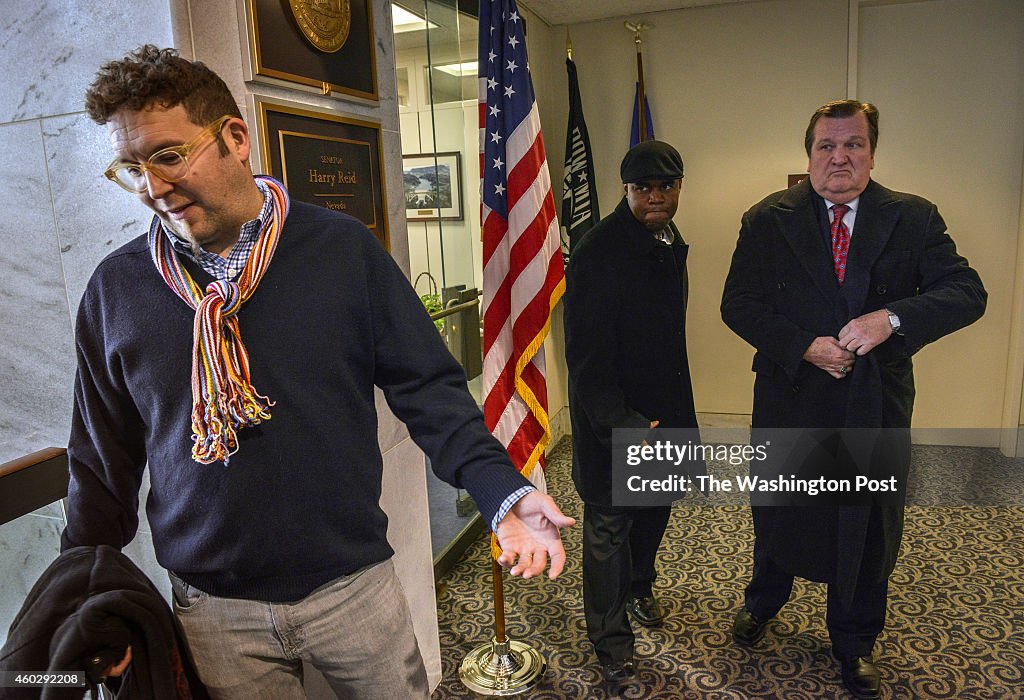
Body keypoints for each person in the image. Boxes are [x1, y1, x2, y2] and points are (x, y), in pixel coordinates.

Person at [61, 45, 574, 700]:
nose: (152, 189)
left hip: (353, 588)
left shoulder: (342, 251)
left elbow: (431, 392)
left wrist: (501, 492)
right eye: (131, 168)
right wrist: (85, 603)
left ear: (235, 138)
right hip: (213, 608)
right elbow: (100, 466)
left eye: (168, 156)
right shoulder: (115, 291)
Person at [721, 99, 986, 699]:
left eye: (854, 145)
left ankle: (855, 641)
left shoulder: (914, 218)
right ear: (809, 153)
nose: (839, 157)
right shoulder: (766, 218)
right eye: (826, 146)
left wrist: (890, 319)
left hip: (873, 404)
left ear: (872, 151)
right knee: (781, 511)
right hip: (791, 397)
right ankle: (763, 602)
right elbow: (738, 304)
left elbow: (968, 292)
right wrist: (804, 345)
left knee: (865, 528)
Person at [563, 141, 700, 692]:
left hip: (665, 410)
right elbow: (586, 354)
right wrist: (622, 424)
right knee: (609, 528)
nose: (655, 197)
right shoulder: (598, 250)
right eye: (644, 188)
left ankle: (640, 586)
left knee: (656, 508)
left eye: (666, 186)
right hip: (616, 420)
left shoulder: (668, 240)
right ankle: (611, 641)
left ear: (678, 187)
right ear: (626, 190)